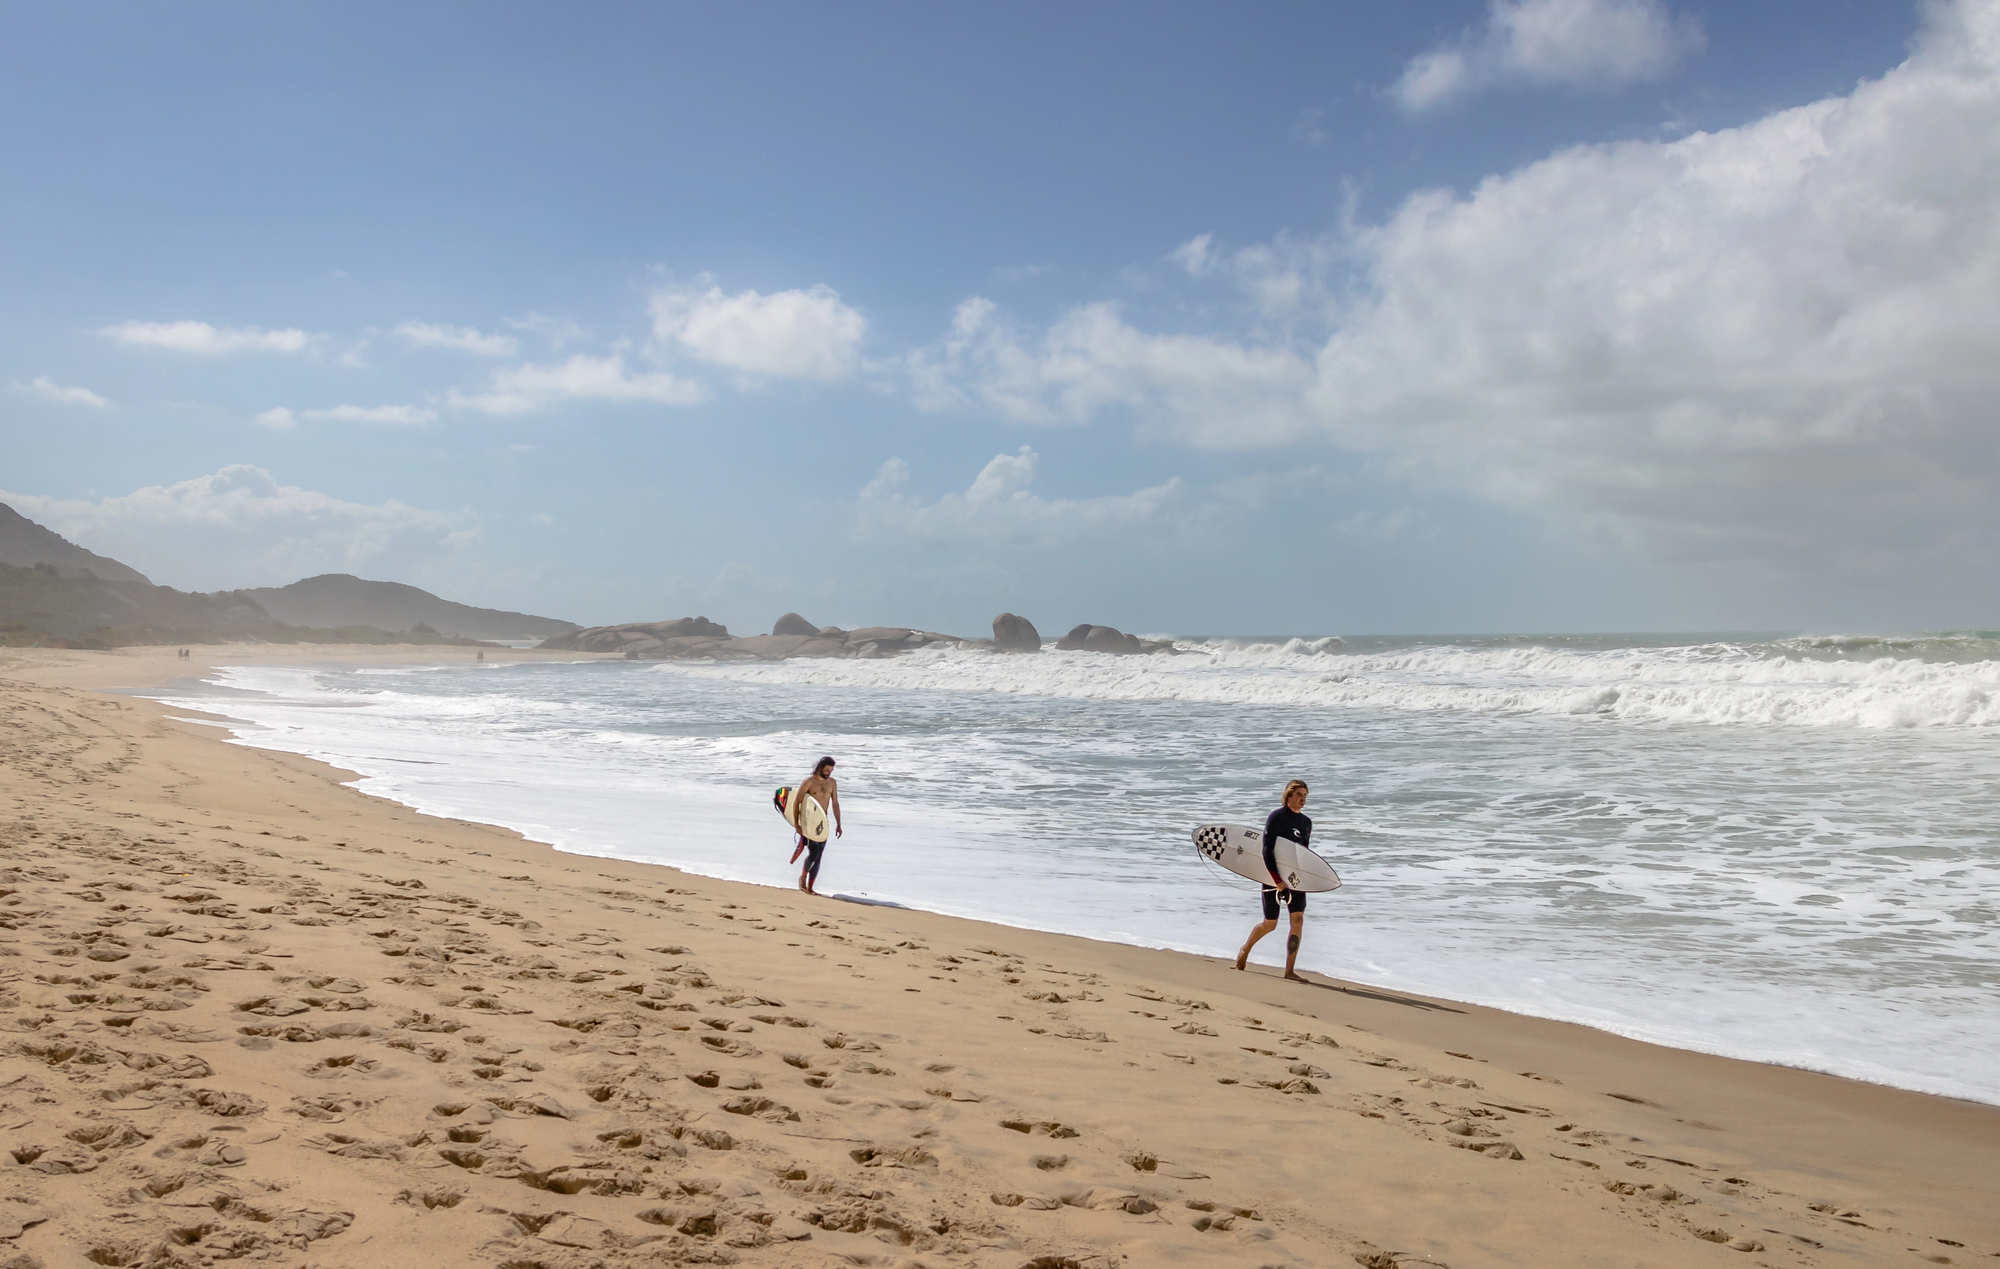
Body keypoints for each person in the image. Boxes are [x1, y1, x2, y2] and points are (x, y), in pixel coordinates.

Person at [1235, 779, 1312, 981]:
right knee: (1270, 923)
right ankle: (1246, 948)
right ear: (1288, 796)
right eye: (1299, 794)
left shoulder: (1306, 823)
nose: (1303, 799)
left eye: (1305, 795)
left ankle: (1289, 971)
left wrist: (1305, 880)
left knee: (1298, 920)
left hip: (1294, 879)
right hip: (1273, 876)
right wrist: (1277, 879)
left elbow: (1304, 854)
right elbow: (1267, 850)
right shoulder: (1276, 817)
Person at [793, 755, 842, 895]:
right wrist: (797, 823)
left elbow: (835, 803)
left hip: (823, 822)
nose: (829, 773)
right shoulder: (808, 782)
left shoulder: (832, 783)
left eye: (831, 771)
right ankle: (802, 878)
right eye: (827, 770)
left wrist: (838, 824)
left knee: (819, 855)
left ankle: (810, 887)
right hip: (809, 822)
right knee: (814, 853)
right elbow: (797, 802)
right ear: (820, 767)